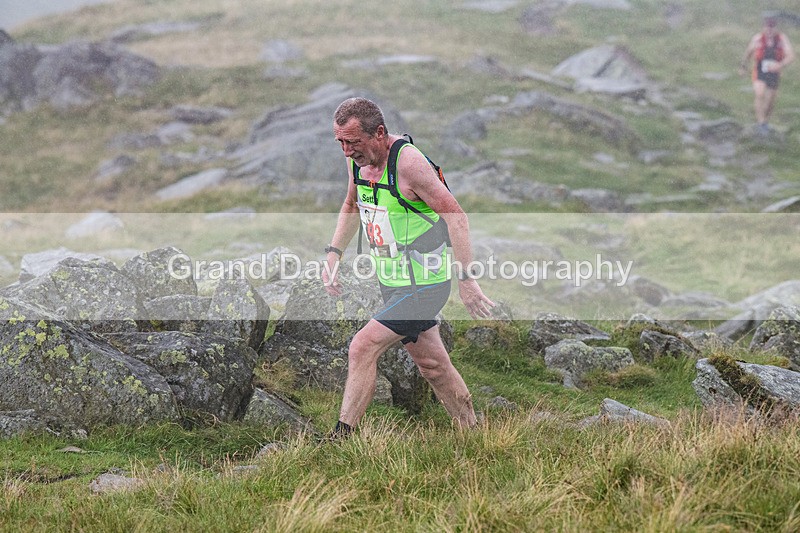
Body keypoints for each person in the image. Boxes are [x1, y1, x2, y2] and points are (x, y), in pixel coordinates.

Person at [321, 97, 495, 438]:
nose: (346, 151)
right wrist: (333, 254)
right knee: (432, 366)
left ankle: (341, 439)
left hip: (425, 286)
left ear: (379, 133)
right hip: (393, 282)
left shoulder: (409, 164)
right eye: (340, 142)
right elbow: (351, 204)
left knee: (362, 346)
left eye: (353, 142)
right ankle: (474, 434)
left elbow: (456, 216)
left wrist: (467, 280)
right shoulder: (357, 161)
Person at [740, 13, 795, 133]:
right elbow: (748, 53)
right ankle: (761, 123)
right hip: (760, 70)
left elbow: (791, 56)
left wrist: (780, 65)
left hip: (774, 72)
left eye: (772, 26)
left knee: (770, 101)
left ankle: (765, 121)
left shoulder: (782, 39)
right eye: (767, 26)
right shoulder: (757, 39)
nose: (770, 30)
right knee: (759, 93)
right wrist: (743, 67)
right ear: (763, 27)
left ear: (776, 27)